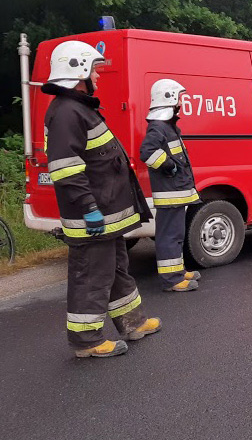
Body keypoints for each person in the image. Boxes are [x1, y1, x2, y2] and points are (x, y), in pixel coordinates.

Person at [42, 41, 159, 358]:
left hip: (107, 216)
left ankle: (133, 323)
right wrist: (90, 209)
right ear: (78, 70)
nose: (99, 75)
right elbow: (66, 170)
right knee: (92, 276)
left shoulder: (79, 108)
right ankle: (87, 341)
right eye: (94, 69)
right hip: (93, 217)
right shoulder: (67, 112)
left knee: (116, 269)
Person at [140, 79, 202, 292]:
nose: (182, 104)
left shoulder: (167, 126)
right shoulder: (159, 127)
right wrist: (168, 166)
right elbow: (146, 153)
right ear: (170, 99)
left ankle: (178, 270)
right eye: (180, 99)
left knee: (176, 235)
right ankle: (172, 280)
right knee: (169, 236)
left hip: (176, 192)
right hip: (170, 193)